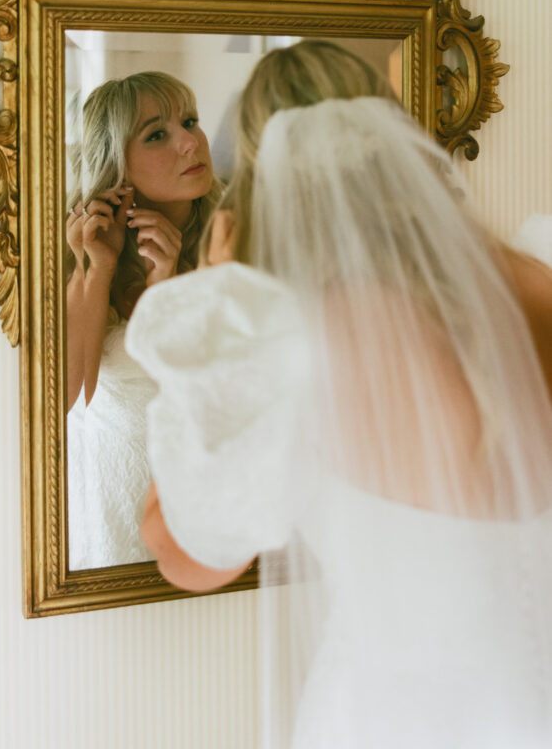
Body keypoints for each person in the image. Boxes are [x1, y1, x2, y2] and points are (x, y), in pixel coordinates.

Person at [125, 41, 552, 747]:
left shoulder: (288, 334)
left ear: (260, 176)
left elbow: (190, 555)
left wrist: (223, 312)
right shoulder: (537, 276)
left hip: (398, 720)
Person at [65, 71, 221, 569]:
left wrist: (165, 280)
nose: (190, 142)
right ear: (117, 168)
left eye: (190, 122)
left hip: (207, 502)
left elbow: (202, 395)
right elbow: (67, 393)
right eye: (158, 134)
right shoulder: (83, 252)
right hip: (113, 511)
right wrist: (100, 269)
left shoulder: (235, 241)